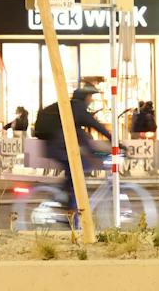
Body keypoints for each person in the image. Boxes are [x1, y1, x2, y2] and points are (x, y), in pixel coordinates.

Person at [36, 84, 112, 225]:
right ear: (85, 97)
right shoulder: (77, 109)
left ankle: (67, 200)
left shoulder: (72, 110)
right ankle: (70, 211)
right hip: (57, 147)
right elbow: (96, 125)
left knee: (79, 169)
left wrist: (95, 152)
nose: (91, 100)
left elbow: (82, 137)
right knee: (80, 169)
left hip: (56, 146)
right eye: (90, 97)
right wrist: (115, 143)